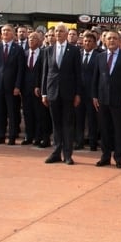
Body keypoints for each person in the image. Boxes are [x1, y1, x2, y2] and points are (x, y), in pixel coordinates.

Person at [91, 30, 121, 168]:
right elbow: (95, 78)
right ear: (105, 41)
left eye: (115, 38)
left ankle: (118, 158)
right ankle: (105, 157)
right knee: (104, 130)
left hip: (120, 100)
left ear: (119, 41)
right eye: (109, 38)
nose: (112, 40)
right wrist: (94, 96)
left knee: (119, 130)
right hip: (103, 99)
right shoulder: (100, 57)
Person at [42, 22, 83, 163]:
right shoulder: (48, 50)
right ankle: (56, 152)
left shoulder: (74, 50)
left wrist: (77, 94)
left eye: (61, 31)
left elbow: (78, 74)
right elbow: (45, 73)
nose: (58, 33)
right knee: (56, 123)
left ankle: (67, 154)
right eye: (56, 31)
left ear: (66, 34)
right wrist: (44, 93)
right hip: (52, 92)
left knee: (68, 124)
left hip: (68, 93)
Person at [0, 24, 25, 145]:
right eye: (3, 30)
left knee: (12, 113)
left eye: (8, 30)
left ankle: (12, 136)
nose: (5, 32)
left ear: (13, 33)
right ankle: (0, 135)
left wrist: (18, 86)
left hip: (12, 87)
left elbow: (20, 70)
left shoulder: (18, 49)